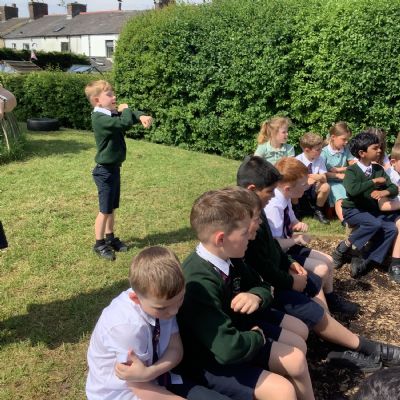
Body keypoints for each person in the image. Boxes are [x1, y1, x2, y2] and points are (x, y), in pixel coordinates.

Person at [237, 155, 400, 371]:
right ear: (252, 189)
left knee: (314, 282)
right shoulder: (245, 222)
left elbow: (272, 248)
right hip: (268, 288)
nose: (273, 195)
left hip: (277, 276)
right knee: (310, 306)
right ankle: (363, 348)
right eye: (270, 191)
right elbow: (260, 266)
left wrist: (289, 262)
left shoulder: (256, 211)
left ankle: (335, 340)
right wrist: (290, 280)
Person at [177, 187, 314, 400]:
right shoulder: (198, 283)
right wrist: (257, 337)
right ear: (221, 239)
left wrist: (256, 296)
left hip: (239, 334)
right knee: (283, 390)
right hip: (210, 359)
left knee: (297, 357)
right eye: (244, 233)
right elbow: (226, 349)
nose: (251, 236)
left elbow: (263, 286)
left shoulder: (230, 256)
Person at [86, 246, 230, 400]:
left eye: (180, 299)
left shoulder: (162, 302)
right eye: (162, 308)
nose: (174, 311)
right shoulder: (127, 328)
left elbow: (175, 349)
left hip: (158, 377)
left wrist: (150, 372)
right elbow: (139, 387)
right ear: (135, 299)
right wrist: (147, 376)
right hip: (122, 394)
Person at [265, 156, 358, 317]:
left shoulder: (285, 197)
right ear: (288, 188)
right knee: (321, 269)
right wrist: (296, 239)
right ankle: (317, 307)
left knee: (329, 260)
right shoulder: (273, 207)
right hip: (279, 254)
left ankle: (330, 298)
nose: (308, 185)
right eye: (303, 184)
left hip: (287, 246)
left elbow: (291, 218)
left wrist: (296, 224)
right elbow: (274, 244)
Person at [84, 80, 153, 261]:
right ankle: (99, 244)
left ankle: (110, 238)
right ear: (97, 100)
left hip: (113, 169)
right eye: (109, 95)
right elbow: (124, 122)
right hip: (104, 172)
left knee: (112, 208)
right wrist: (126, 109)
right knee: (104, 210)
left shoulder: (109, 113)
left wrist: (141, 116)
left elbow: (128, 115)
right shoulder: (99, 118)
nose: (114, 97)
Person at [331, 131, 400, 282]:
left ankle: (368, 260)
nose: (380, 150)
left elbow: (394, 188)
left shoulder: (378, 169)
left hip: (371, 211)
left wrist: (384, 192)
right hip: (353, 210)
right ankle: (342, 248)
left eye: (379, 147)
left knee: (391, 229)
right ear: (362, 153)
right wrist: (373, 182)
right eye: (375, 148)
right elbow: (352, 190)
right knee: (374, 224)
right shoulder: (352, 171)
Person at [320, 121, 356, 224]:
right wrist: (339, 175)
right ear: (333, 137)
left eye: (347, 140)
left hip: (345, 179)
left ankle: (356, 215)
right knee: (339, 196)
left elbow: (352, 164)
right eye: (344, 139)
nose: (346, 142)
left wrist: (341, 169)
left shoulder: (345, 150)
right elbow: (323, 173)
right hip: (331, 182)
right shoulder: (324, 152)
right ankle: (344, 220)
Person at [295, 132, 330, 224]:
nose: (321, 151)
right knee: (293, 187)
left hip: (313, 187)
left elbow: (324, 178)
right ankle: (296, 210)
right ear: (307, 150)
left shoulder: (320, 159)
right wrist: (308, 179)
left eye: (321, 148)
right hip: (301, 188)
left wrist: (316, 178)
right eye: (318, 149)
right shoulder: (297, 160)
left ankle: (318, 211)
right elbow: (295, 179)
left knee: (325, 186)